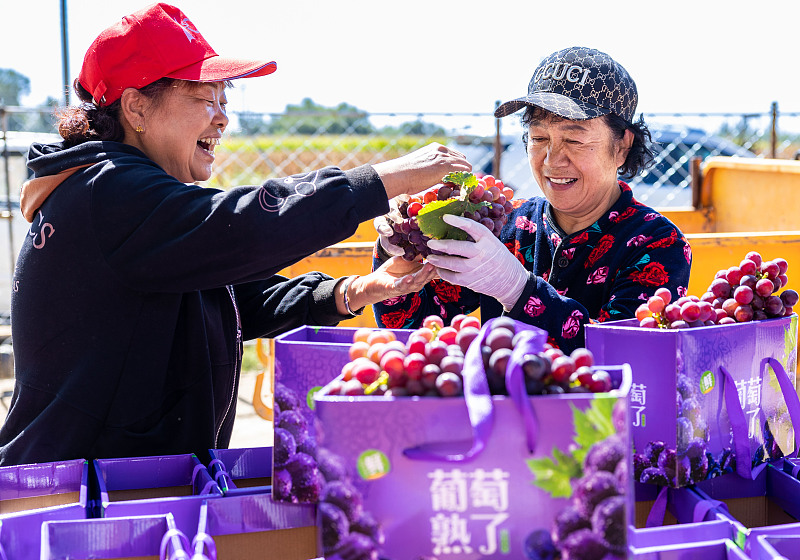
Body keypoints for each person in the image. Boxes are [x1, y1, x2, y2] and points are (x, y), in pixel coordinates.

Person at [0, 3, 470, 466]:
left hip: (114, 477)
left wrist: (352, 290)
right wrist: (383, 181)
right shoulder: (108, 191)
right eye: (206, 99)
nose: (223, 119)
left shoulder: (129, 197)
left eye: (224, 100)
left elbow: (222, 299)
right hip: (84, 497)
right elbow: (244, 228)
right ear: (137, 106)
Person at [373, 46, 692, 353]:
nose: (552, 160)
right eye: (539, 138)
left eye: (574, 139)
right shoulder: (508, 227)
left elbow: (625, 356)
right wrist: (400, 265)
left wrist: (518, 290)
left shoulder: (658, 244)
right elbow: (415, 331)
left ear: (622, 145)